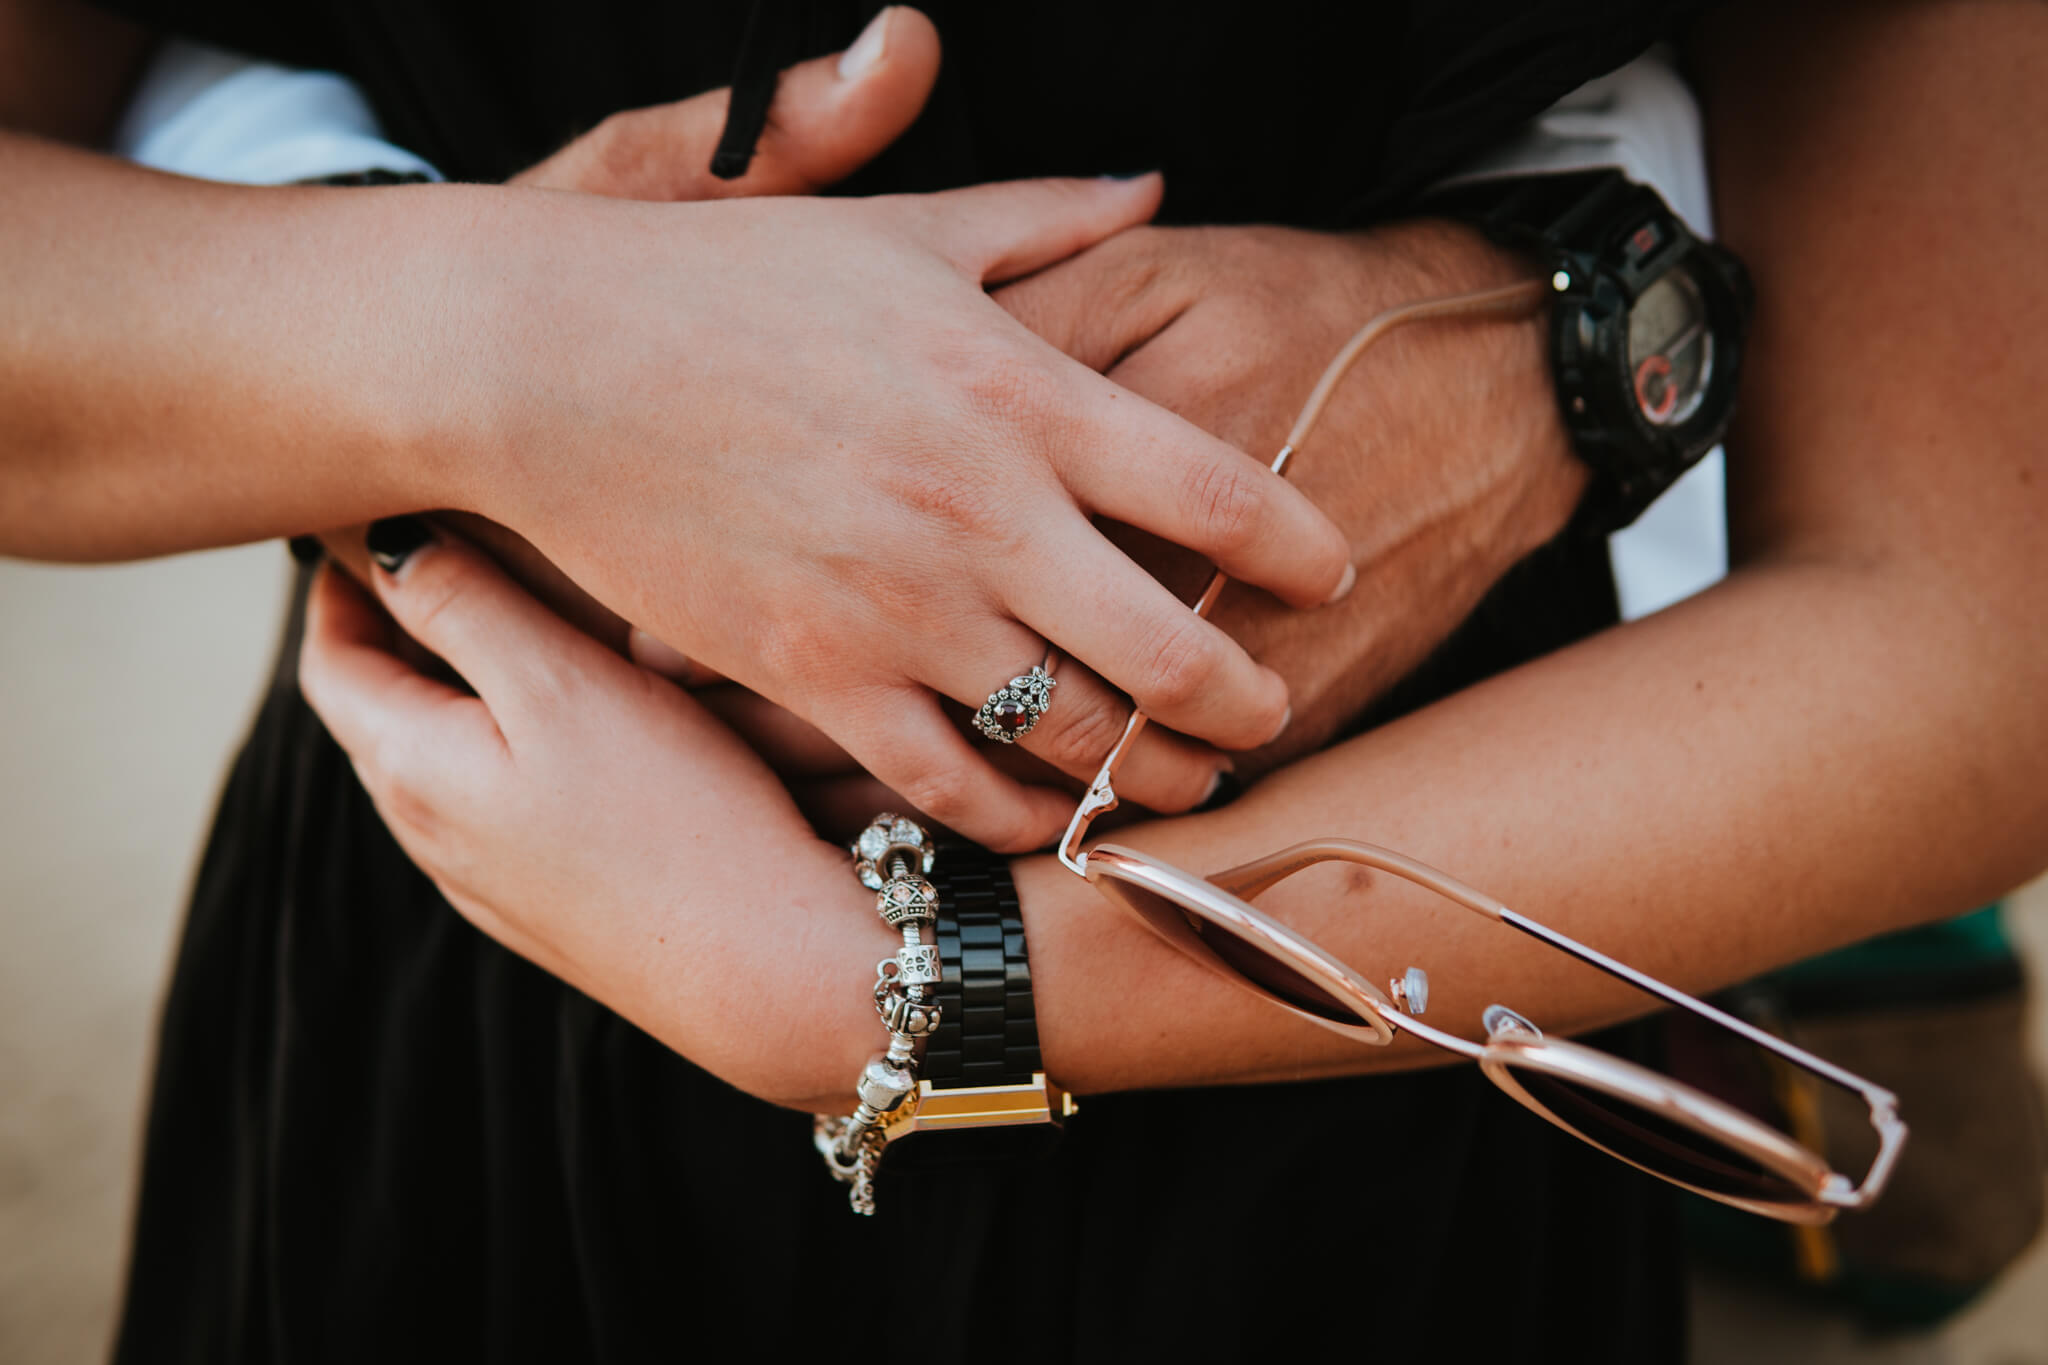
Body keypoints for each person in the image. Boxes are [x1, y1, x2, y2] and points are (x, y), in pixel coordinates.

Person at [0, 1, 2038, 1360]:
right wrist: (491, 352)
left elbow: (1974, 621)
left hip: (1408, 995)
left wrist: (895, 993)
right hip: (484, 993)